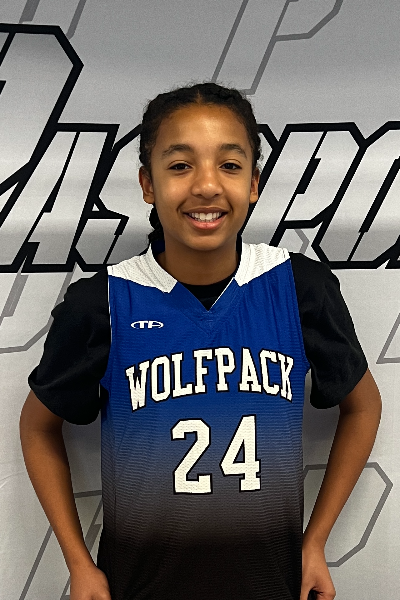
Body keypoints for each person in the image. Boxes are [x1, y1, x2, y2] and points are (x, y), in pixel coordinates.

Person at [20, 82, 381, 600]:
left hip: (272, 584)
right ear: (148, 184)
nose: (207, 186)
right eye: (180, 165)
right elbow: (37, 426)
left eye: (229, 165)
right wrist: (79, 564)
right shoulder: (103, 302)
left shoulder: (298, 287)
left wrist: (315, 541)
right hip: (139, 586)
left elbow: (363, 406)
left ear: (254, 183)